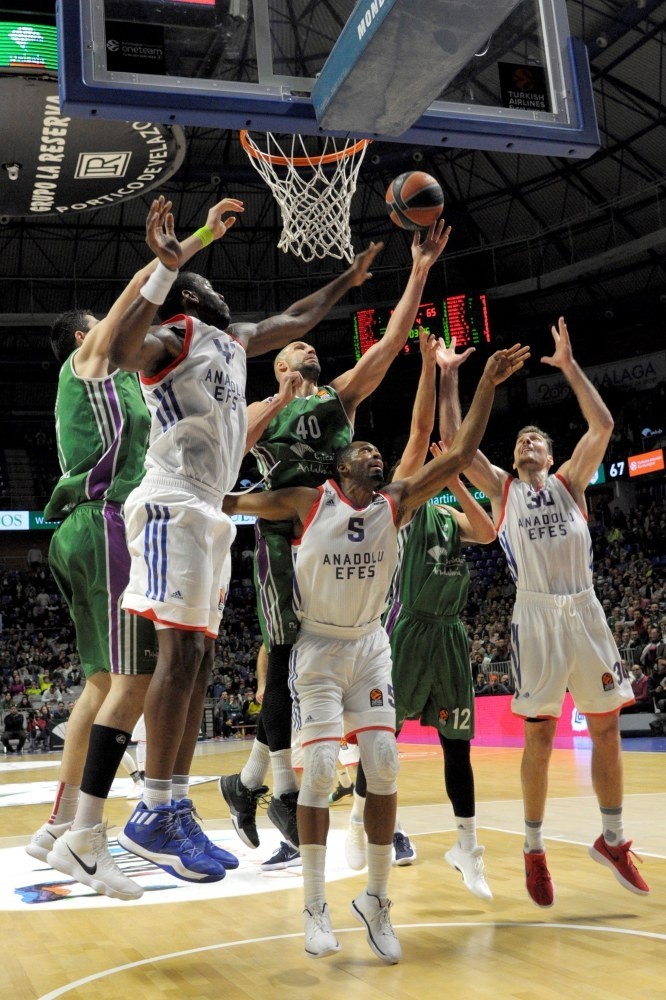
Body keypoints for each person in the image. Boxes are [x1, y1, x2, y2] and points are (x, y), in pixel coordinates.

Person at [106, 206, 395, 882]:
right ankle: (151, 810)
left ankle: (174, 808)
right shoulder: (174, 332)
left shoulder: (232, 340)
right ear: (186, 297)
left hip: (210, 511)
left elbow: (293, 320)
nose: (215, 290)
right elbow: (120, 352)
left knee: (201, 658)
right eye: (200, 284)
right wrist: (168, 265)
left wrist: (346, 282)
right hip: (173, 500)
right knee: (179, 654)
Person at [223, 341, 527, 962]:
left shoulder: (398, 502)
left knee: (384, 765)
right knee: (317, 781)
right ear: (339, 466)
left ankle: (376, 898)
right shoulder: (309, 503)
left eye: (377, 453)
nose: (374, 452)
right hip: (316, 649)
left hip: (370, 647)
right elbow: (228, 501)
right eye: (363, 449)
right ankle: (314, 904)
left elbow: (460, 452)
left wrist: (485, 382)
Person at [26, 197, 241, 898]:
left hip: (86, 530)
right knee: (135, 680)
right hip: (111, 520)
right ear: (82, 336)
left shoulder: (116, 386)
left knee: (102, 682)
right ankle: (100, 833)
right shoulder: (90, 363)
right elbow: (123, 326)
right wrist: (180, 252)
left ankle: (63, 826)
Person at [220, 220, 453, 852]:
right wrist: (273, 401)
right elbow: (224, 458)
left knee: (318, 657)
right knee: (288, 652)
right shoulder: (259, 411)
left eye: (314, 352)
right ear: (280, 361)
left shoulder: (336, 400)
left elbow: (389, 345)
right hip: (279, 536)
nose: (310, 353)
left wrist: (418, 272)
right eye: (300, 351)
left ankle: (255, 785)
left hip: (333, 535)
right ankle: (277, 794)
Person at [442, 317, 649, 906]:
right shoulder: (503, 488)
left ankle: (612, 839)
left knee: (607, 726)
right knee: (540, 737)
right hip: (534, 617)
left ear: (553, 454)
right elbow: (458, 447)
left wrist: (569, 365)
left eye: (536, 440)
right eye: (520, 441)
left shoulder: (571, 484)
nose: (526, 443)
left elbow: (603, 423)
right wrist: (453, 378)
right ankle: (534, 849)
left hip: (584, 610)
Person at [346, 334, 496, 899]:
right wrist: (431, 372)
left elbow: (486, 532)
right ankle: (363, 819)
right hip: (407, 630)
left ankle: (468, 845)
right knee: (385, 735)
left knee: (457, 744)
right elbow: (416, 439)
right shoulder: (398, 508)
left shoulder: (446, 509)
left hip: (450, 634)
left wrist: (454, 478)